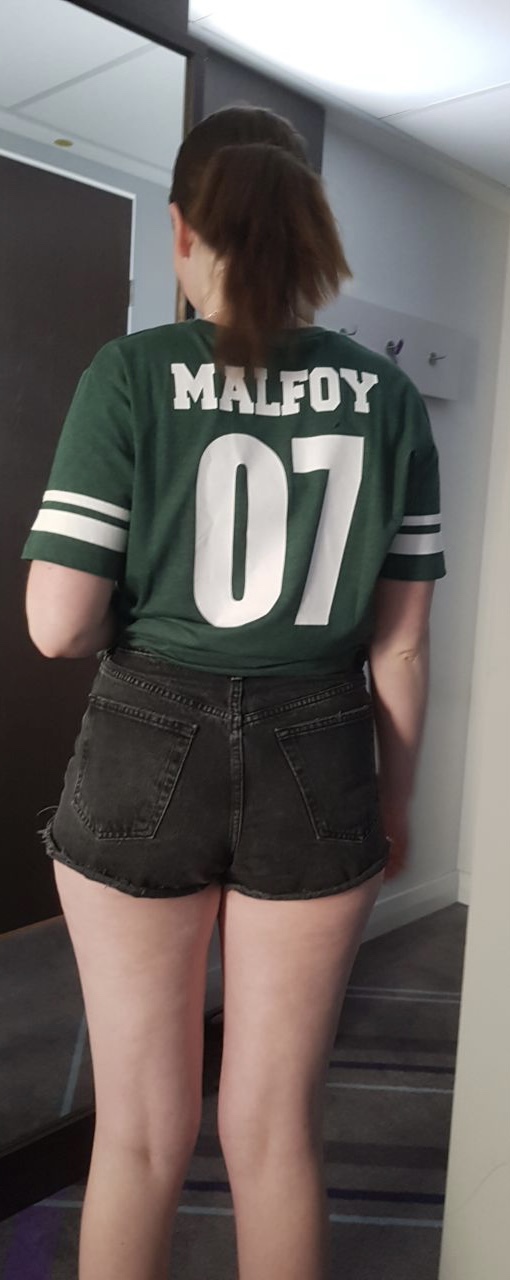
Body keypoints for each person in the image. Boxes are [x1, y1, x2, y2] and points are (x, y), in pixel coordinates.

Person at [22, 106, 446, 1280]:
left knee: (138, 1132)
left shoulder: (130, 374)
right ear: (308, 229)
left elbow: (57, 624)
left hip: (142, 740)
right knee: (275, 1131)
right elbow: (402, 652)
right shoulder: (387, 397)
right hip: (323, 750)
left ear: (182, 231)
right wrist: (392, 805)